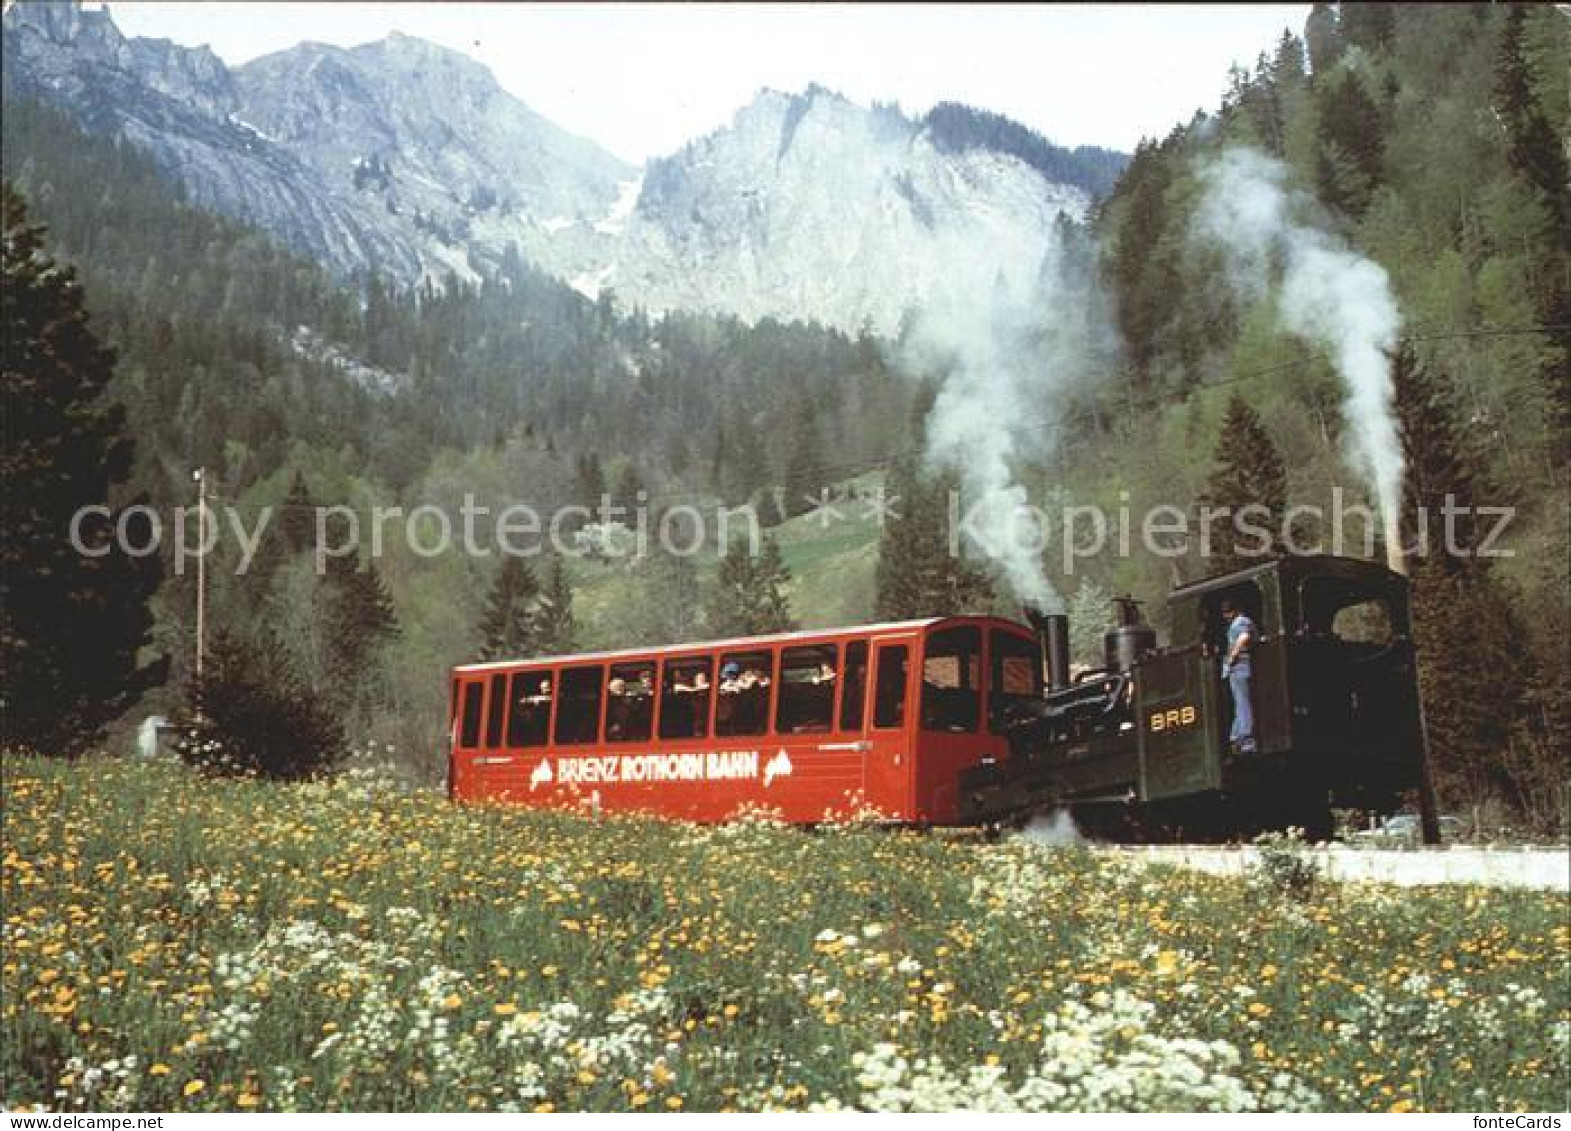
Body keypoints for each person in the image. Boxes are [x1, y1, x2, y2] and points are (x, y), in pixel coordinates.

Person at [1220, 596, 1257, 754]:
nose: (1225, 616)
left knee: (1243, 702)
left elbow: (1244, 637)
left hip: (1239, 667)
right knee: (1239, 702)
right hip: (1239, 668)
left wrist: (1231, 658)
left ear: (1234, 611)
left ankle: (1246, 739)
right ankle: (1236, 735)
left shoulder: (1240, 621)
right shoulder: (1239, 622)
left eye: (1227, 612)